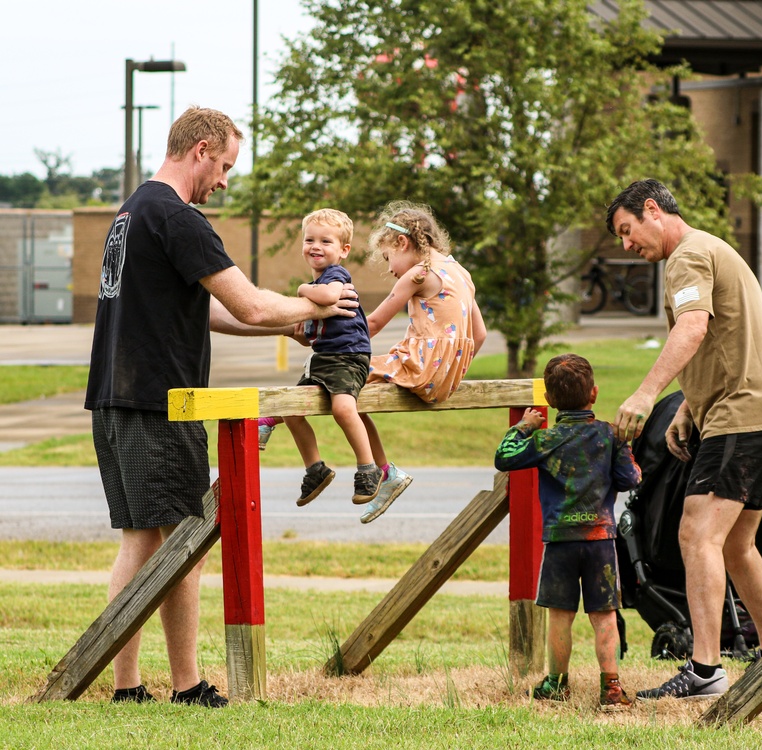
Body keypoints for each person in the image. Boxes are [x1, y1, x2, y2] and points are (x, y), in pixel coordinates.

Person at [85, 106, 357, 707]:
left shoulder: (133, 211)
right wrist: (316, 303)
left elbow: (204, 311)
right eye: (226, 165)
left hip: (112, 398)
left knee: (141, 540)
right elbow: (253, 303)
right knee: (185, 538)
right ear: (202, 149)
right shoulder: (180, 219)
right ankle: (185, 685)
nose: (226, 181)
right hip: (162, 403)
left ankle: (127, 685)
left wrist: (283, 330)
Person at [605, 178, 762, 700]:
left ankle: (705, 670)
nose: (626, 245)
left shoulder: (687, 257)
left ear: (652, 210)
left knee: (696, 534)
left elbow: (692, 328)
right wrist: (689, 406)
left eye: (627, 230)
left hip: (741, 418)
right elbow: (727, 337)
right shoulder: (713, 248)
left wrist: (646, 395)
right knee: (736, 543)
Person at [494, 353, 641, 712]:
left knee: (560, 613)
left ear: (549, 400)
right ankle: (611, 687)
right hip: (600, 540)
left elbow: (505, 457)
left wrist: (525, 426)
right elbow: (631, 478)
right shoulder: (609, 435)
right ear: (594, 393)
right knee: (604, 614)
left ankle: (556, 684)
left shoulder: (547, 440)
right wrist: (626, 448)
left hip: (559, 539)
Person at [356, 201, 488, 523]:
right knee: (354, 401)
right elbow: (480, 334)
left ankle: (274, 419)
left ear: (403, 242)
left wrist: (330, 337)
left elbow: (371, 325)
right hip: (447, 377)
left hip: (420, 366)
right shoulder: (461, 273)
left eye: (388, 258)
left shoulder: (419, 273)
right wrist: (450, 368)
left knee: (336, 379)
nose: (390, 270)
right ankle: (385, 473)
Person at [257, 208, 385, 513]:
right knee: (291, 411)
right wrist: (301, 332)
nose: (315, 246)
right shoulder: (319, 288)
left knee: (343, 407)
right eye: (309, 239)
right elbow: (313, 334)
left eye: (326, 241)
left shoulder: (334, 277)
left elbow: (328, 297)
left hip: (348, 357)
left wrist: (303, 291)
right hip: (324, 359)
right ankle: (315, 468)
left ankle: (369, 468)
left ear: (343, 250)